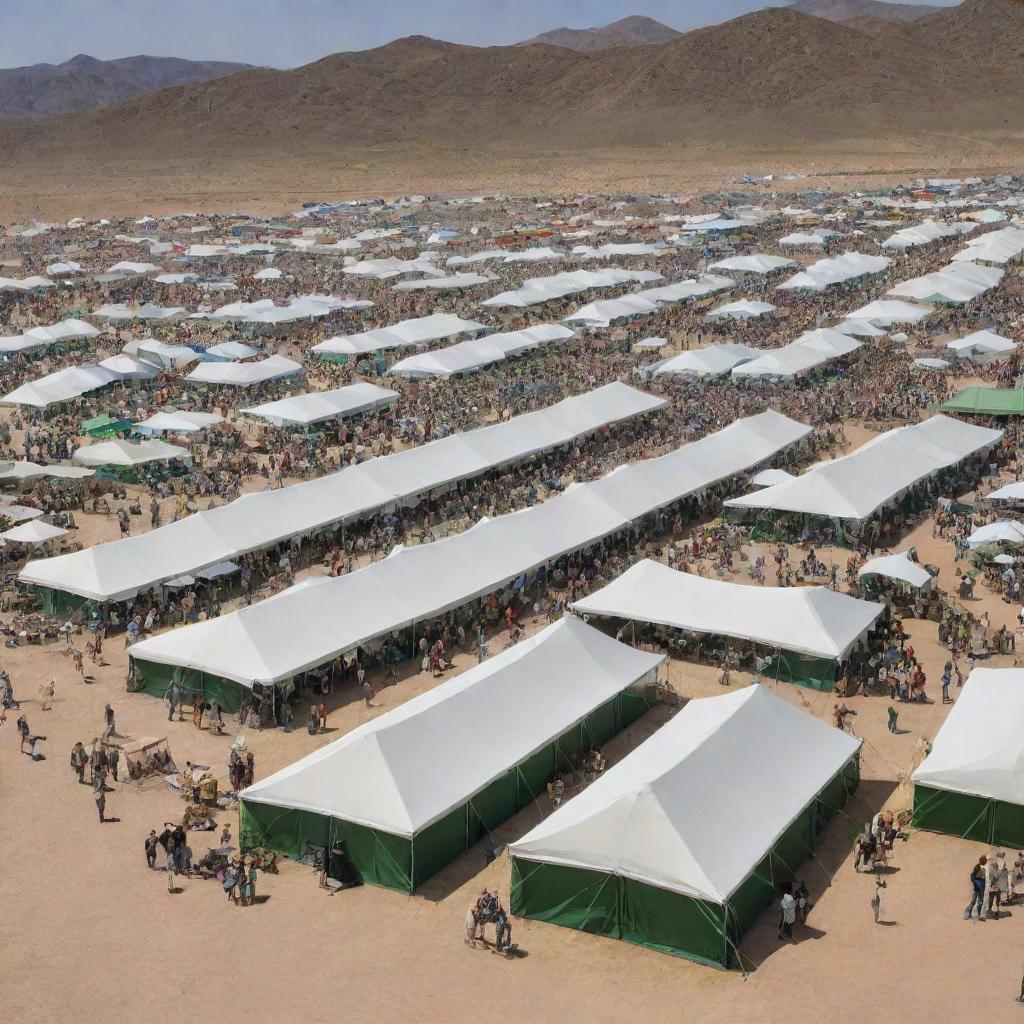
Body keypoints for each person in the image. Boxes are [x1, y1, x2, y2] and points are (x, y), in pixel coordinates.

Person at [965, 856, 987, 920]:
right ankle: (967, 914)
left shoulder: (984, 868)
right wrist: (977, 883)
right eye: (984, 860)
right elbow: (973, 876)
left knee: (980, 902)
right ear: (981, 861)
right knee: (973, 901)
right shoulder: (977, 867)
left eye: (985, 860)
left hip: (982, 886)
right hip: (978, 886)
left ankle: (979, 915)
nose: (985, 862)